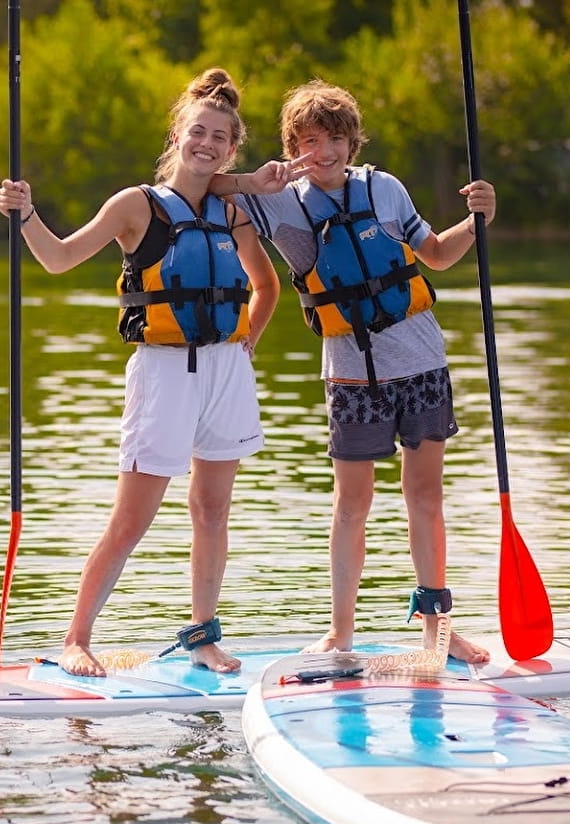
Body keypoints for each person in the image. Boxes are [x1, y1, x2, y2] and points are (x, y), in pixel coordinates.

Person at [0, 68, 293, 677]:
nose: (206, 144)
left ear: (232, 148)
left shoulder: (234, 210)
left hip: (225, 373)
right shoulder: (135, 206)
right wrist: (25, 215)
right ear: (178, 135)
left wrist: (247, 344)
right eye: (197, 132)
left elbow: (266, 286)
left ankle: (203, 635)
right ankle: (77, 637)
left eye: (220, 138)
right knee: (133, 517)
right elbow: (58, 260)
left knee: (212, 512)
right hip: (164, 374)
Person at [218, 79, 494, 664]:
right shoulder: (279, 201)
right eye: (311, 140)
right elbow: (205, 186)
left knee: (426, 497)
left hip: (422, 364)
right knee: (351, 505)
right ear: (294, 144)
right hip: (350, 377)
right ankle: (341, 632)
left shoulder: (385, 188)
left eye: (337, 139)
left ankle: (436, 628)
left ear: (353, 141)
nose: (326, 152)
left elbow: (437, 256)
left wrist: (477, 222)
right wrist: (254, 180)